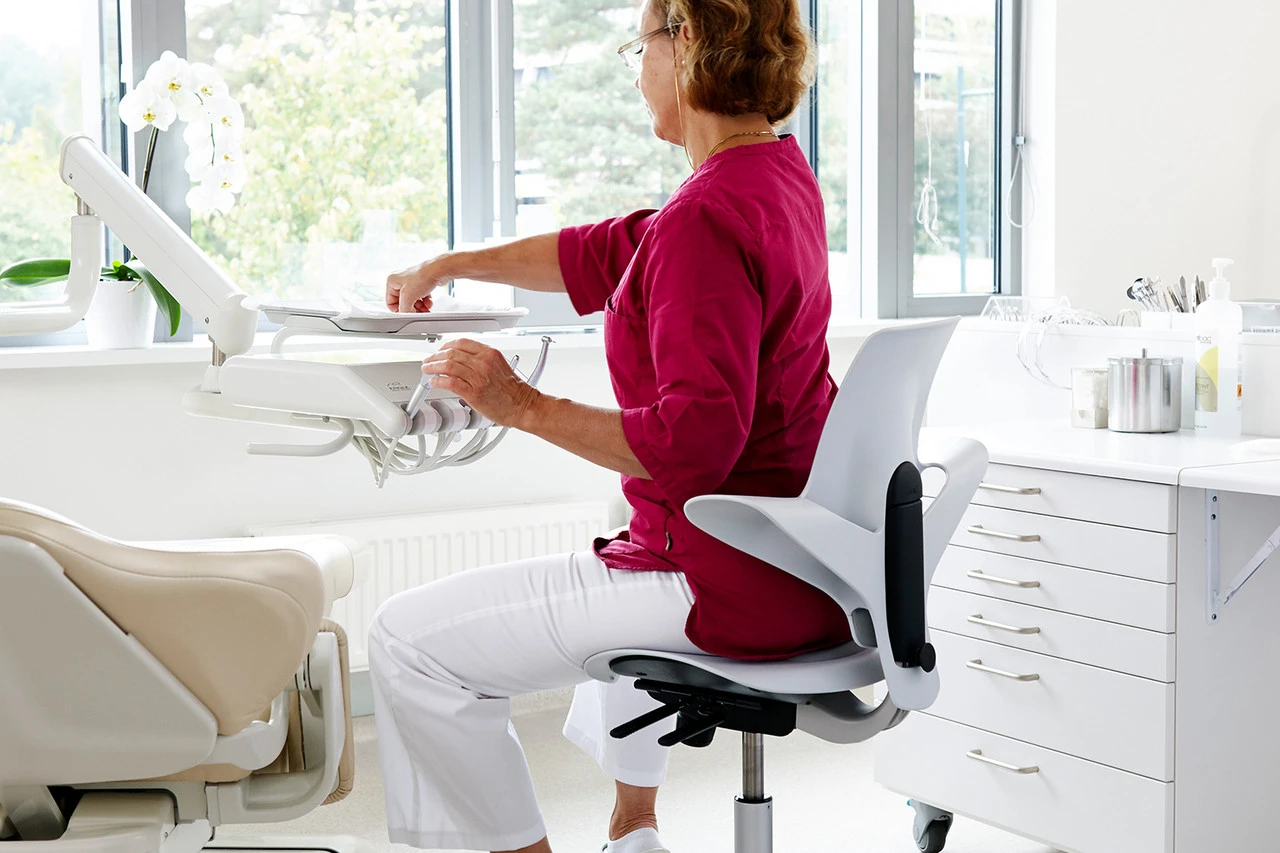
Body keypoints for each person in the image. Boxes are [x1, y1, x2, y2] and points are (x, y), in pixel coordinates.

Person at [368, 1, 848, 851]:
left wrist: (518, 403)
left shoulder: (704, 217)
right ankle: (634, 826)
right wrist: (451, 263)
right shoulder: (776, 178)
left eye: (640, 46)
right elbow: (601, 250)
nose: (636, 73)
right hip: (803, 568)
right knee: (614, 548)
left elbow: (695, 445)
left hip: (723, 581)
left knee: (405, 642)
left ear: (687, 40)